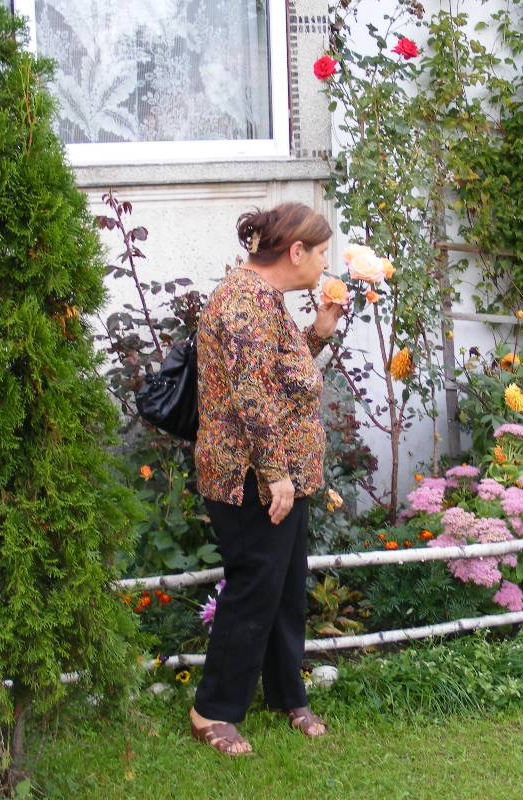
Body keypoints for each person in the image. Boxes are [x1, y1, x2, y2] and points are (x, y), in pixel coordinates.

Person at [188, 202, 344, 756]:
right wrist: (276, 474)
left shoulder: (264, 298)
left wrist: (317, 335)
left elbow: (277, 372)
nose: (324, 264)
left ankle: (286, 694)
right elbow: (252, 396)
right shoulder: (244, 302)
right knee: (254, 591)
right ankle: (212, 710)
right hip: (249, 478)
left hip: (281, 475)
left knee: (283, 590)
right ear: (295, 252)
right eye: (320, 253)